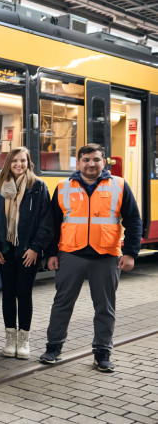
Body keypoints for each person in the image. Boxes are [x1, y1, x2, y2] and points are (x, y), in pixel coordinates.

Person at [40, 144, 141, 372]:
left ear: (103, 162)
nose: (91, 164)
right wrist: (51, 253)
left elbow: (133, 220)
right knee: (62, 304)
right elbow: (52, 223)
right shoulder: (63, 186)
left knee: (105, 307)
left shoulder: (119, 185)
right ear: (78, 163)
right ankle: (53, 348)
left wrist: (130, 253)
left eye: (96, 159)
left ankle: (102, 353)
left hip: (106, 256)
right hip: (70, 254)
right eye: (86, 160)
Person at [0, 146, 52, 360]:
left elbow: (46, 221)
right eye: (14, 161)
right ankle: (10, 338)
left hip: (28, 251)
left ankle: (24, 340)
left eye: (22, 160)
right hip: (5, 249)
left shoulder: (38, 186)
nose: (18, 164)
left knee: (23, 293)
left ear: (28, 162)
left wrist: (35, 248)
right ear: (8, 163)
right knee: (8, 293)